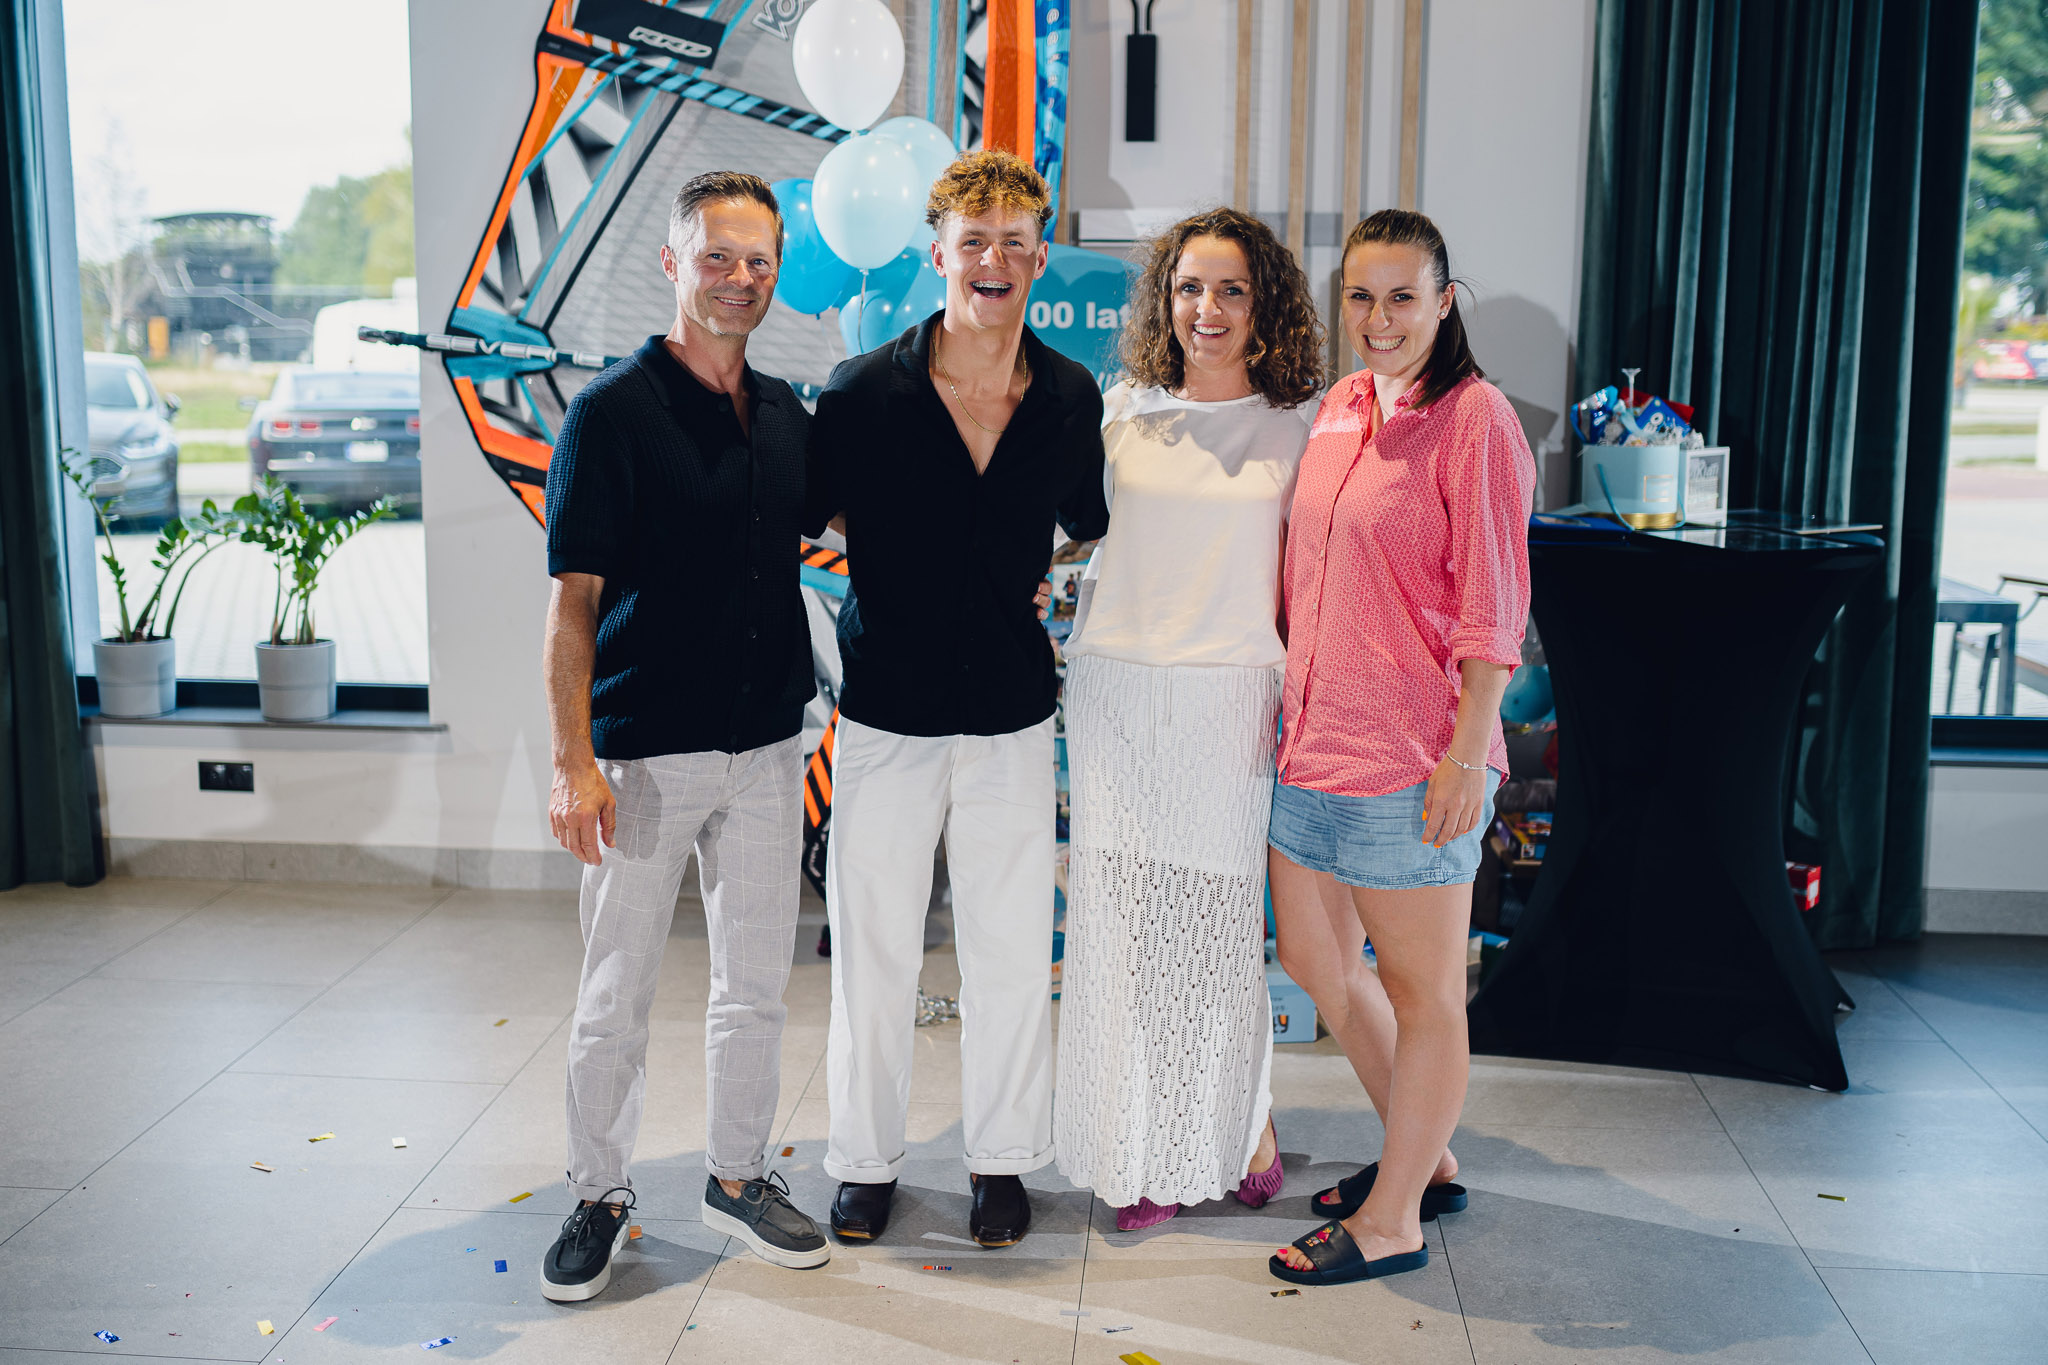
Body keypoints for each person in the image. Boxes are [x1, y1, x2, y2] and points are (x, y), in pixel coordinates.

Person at [803, 149, 1110, 1249]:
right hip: (886, 709)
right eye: (972, 241)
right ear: (937, 253)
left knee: (1010, 950)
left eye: (1013, 243)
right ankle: (864, 1163)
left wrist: (1019, 577)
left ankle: (1000, 1161)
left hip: (1013, 715)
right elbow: (817, 511)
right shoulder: (860, 392)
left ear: (1038, 258)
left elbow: (1087, 525)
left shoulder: (1069, 396)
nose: (993, 260)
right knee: (873, 949)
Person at [540, 171, 831, 1301]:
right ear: (672, 264)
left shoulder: (788, 418)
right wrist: (573, 765)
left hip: (766, 750)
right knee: (615, 993)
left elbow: (865, 521)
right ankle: (597, 1194)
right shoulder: (610, 415)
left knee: (752, 987)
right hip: (642, 756)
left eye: (759, 261)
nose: (740, 278)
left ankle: (737, 1175)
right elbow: (572, 604)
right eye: (718, 256)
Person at [1266, 209, 1533, 1287]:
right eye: (1361, 297)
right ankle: (1428, 1159)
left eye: (1402, 297)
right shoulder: (1339, 406)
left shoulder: (1475, 420)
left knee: (1424, 995)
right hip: (1310, 744)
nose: (1379, 319)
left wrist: (1467, 754)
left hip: (1414, 757)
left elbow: (1494, 605)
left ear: (1444, 301)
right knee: (1316, 962)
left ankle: (1392, 1220)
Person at [1054, 207, 1322, 1229]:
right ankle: (1145, 1149)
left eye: (1230, 290)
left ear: (1263, 306)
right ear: (1164, 299)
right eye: (1188, 288)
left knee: (1215, 933)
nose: (1206, 308)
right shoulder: (1120, 412)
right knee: (1128, 935)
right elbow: (1063, 534)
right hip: (1118, 695)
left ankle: (1241, 1127)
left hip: (1229, 700)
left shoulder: (1297, 427)